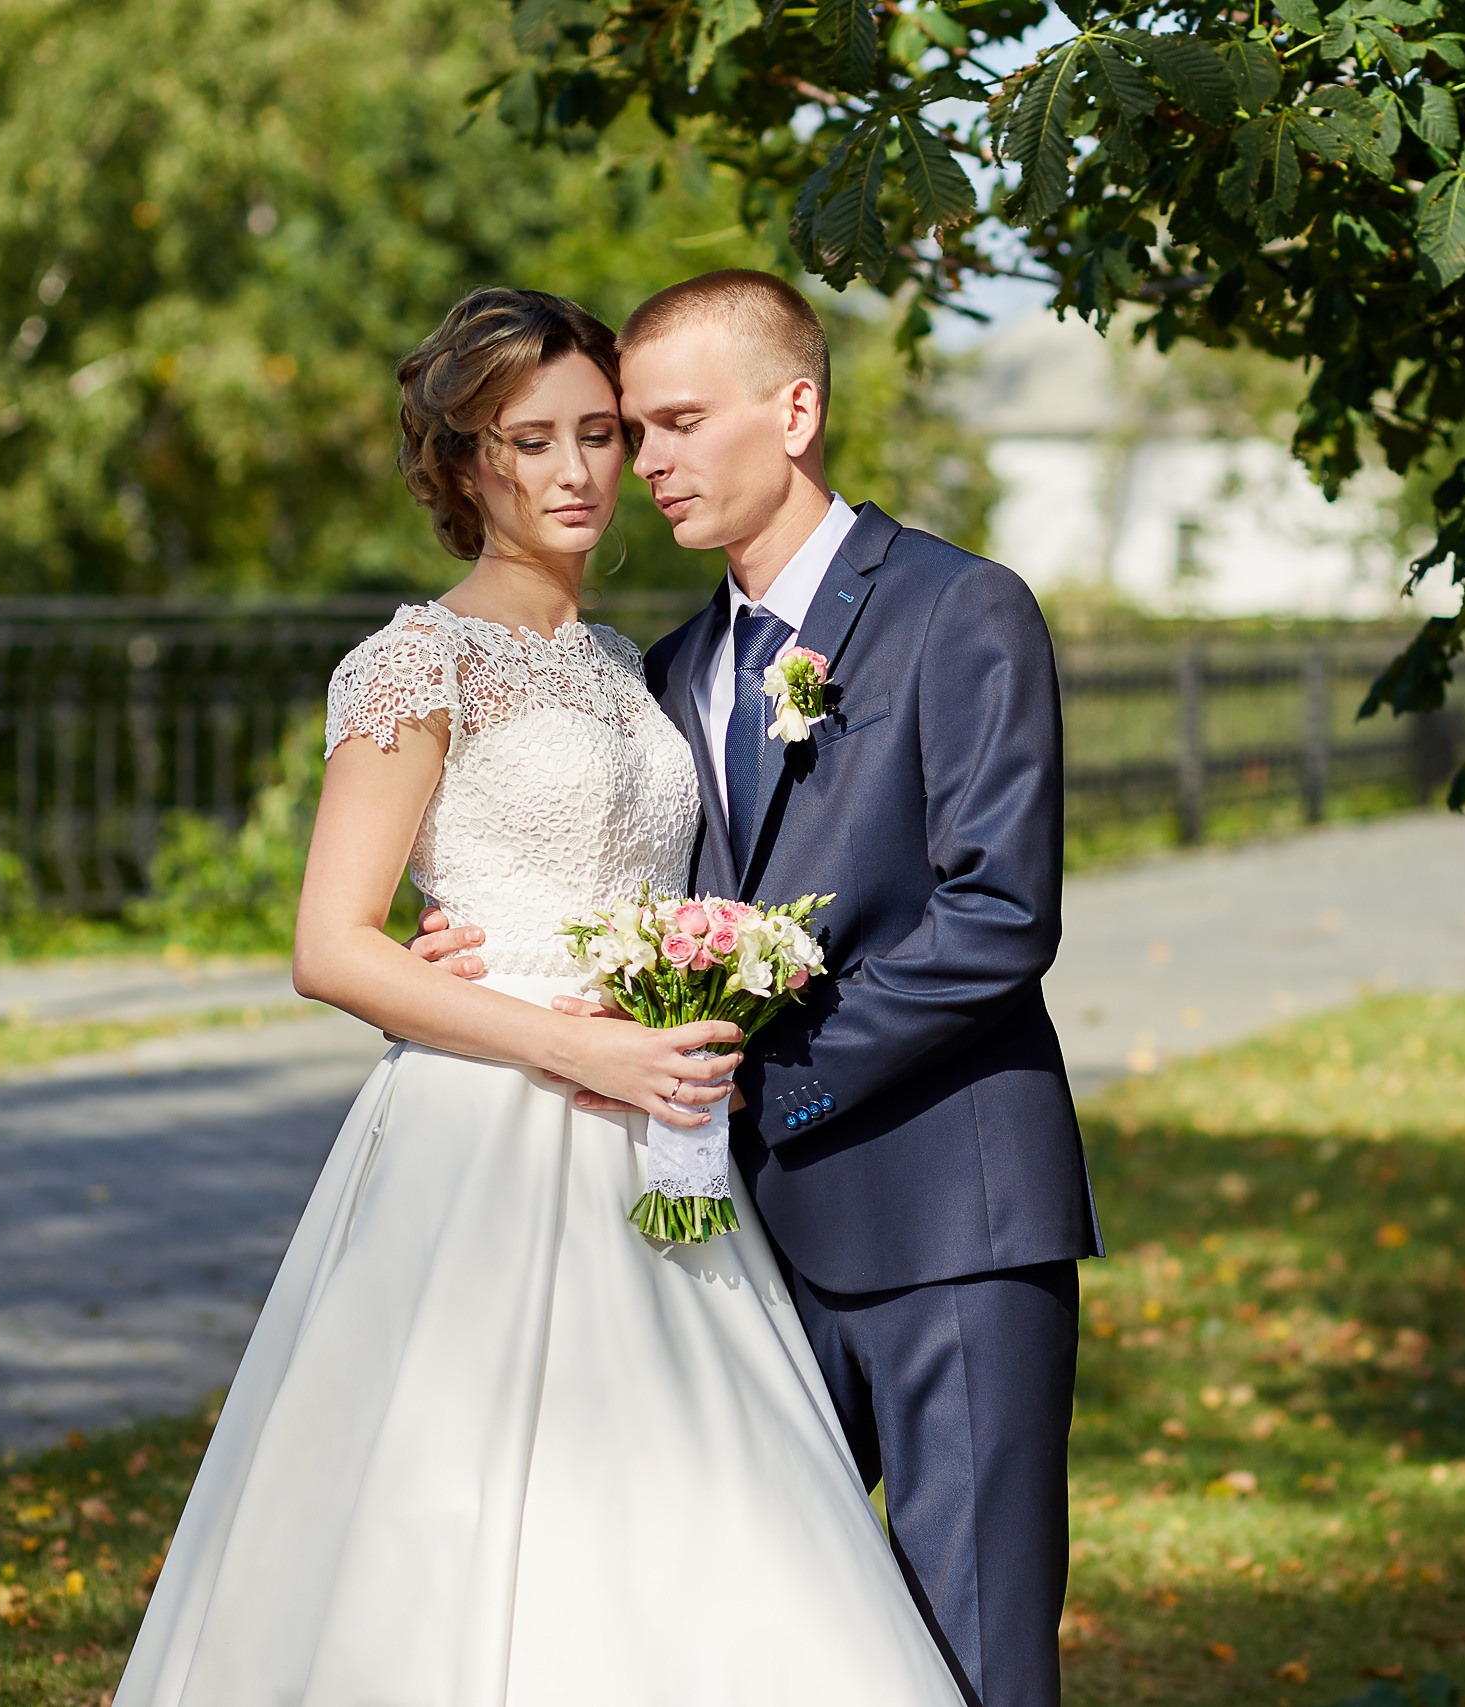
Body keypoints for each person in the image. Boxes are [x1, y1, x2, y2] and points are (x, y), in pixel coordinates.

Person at [111, 287, 966, 1706]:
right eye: (529, 442)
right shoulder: (415, 662)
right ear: (462, 466)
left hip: (656, 1137)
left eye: (601, 435)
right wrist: (556, 1034)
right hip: (491, 1140)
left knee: (697, 1507)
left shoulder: (629, 663)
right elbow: (333, 942)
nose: (575, 474)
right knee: (460, 1510)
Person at [409, 271, 1101, 1707]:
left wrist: (763, 1082)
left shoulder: (959, 610)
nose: (642, 463)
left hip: (946, 1227)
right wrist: (486, 946)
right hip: (732, 1248)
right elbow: (633, 902)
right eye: (627, 431)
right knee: (761, 1648)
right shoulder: (664, 668)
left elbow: (997, 915)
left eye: (672, 424)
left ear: (794, 410)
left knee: (972, 1655)